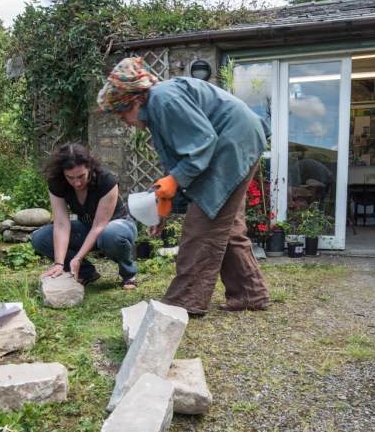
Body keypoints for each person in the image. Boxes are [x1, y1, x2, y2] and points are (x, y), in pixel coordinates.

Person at [96, 56, 270, 316]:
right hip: (234, 143)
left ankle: (185, 301)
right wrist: (164, 209)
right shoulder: (156, 108)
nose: (126, 122)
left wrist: (174, 181)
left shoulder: (164, 99)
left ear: (134, 100)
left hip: (231, 144)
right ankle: (250, 292)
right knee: (228, 224)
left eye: (122, 115)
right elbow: (177, 162)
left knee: (204, 225)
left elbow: (202, 143)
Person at [31, 142, 139, 289]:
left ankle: (128, 273)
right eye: (70, 177)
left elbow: (99, 225)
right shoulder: (57, 183)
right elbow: (62, 224)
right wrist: (59, 263)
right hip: (87, 227)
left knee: (110, 234)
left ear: (89, 167)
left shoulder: (106, 180)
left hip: (118, 226)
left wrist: (78, 257)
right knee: (40, 239)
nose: (76, 182)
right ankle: (85, 272)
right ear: (63, 173)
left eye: (81, 176)